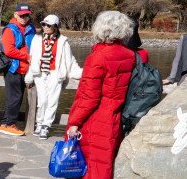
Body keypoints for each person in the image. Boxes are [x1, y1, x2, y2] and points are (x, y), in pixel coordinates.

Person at [66, 11, 136, 179]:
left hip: (95, 119)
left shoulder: (97, 57)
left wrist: (75, 123)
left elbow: (90, 97)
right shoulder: (130, 55)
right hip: (115, 116)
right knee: (105, 164)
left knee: (89, 166)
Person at [24, 14, 82, 140]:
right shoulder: (36, 38)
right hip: (39, 73)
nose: (45, 27)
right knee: (42, 101)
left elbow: (69, 59)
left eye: (48, 25)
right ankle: (39, 123)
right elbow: (32, 58)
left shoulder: (62, 40)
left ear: (56, 26)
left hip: (55, 73)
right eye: (43, 24)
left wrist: (81, 72)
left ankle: (46, 125)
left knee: (52, 101)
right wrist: (29, 77)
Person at [0, 3, 35, 136]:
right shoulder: (9, 29)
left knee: (16, 98)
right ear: (15, 15)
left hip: (25, 68)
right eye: (22, 15)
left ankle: (4, 123)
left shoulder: (31, 27)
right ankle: (9, 124)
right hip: (13, 68)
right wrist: (27, 57)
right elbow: (9, 50)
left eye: (27, 15)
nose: (25, 18)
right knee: (15, 97)